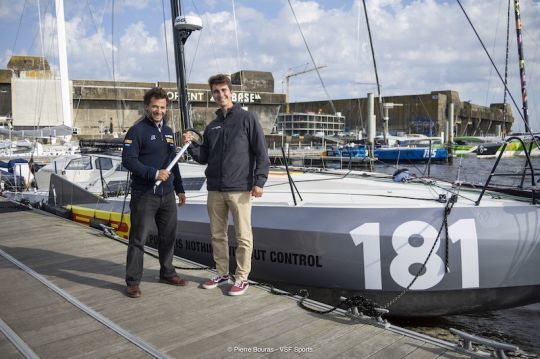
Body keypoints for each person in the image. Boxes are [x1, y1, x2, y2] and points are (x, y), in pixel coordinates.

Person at [183, 74, 270, 296]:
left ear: (231, 92)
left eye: (223, 90)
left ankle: (242, 278)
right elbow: (203, 157)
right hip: (215, 190)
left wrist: (259, 181)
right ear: (212, 95)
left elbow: (261, 153)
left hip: (240, 189)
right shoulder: (212, 126)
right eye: (216, 92)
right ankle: (222, 273)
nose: (220, 95)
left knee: (243, 236)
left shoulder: (246, 119)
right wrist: (191, 145)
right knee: (217, 235)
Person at [122, 87, 187, 298]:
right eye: (155, 107)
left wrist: (180, 189)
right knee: (138, 239)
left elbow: (172, 163)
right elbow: (128, 161)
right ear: (146, 107)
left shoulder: (168, 132)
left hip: (167, 196)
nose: (158, 111)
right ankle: (133, 282)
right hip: (145, 194)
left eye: (162, 107)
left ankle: (167, 272)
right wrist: (153, 174)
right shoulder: (137, 131)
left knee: (168, 236)